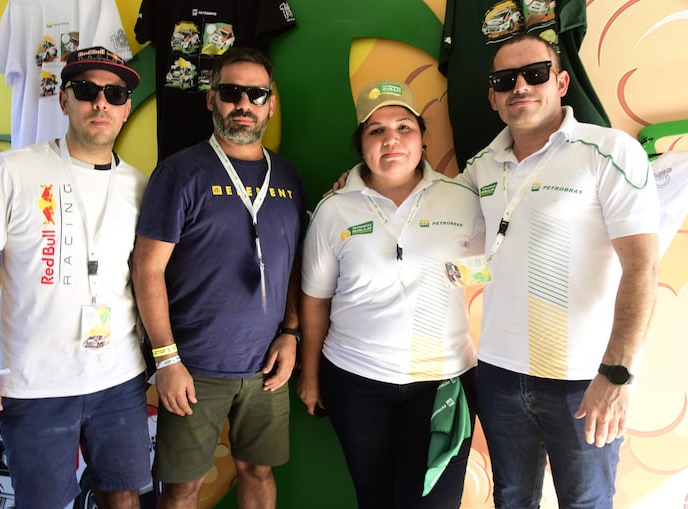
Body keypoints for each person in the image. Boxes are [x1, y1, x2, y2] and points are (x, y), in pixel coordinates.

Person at [459, 34, 660, 508]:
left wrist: (617, 373)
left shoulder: (608, 151)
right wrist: (355, 182)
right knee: (511, 499)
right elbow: (453, 234)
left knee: (585, 502)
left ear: (561, 81)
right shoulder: (480, 167)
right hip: (500, 374)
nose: (520, 87)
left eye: (534, 74)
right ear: (492, 96)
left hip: (584, 378)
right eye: (504, 80)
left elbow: (642, 267)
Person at [0, 46, 151, 509]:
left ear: (125, 109)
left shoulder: (141, 185)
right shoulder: (14, 170)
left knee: (123, 496)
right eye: (86, 91)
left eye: (114, 93)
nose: (100, 102)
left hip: (119, 378)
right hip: (34, 383)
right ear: (65, 101)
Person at [131, 47, 306, 509]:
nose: (243, 104)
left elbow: (292, 265)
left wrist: (290, 333)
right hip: (193, 367)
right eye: (231, 92)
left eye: (256, 93)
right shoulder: (179, 172)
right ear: (211, 100)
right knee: (183, 487)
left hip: (265, 365)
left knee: (257, 470)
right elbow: (146, 268)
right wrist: (166, 360)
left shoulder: (288, 176)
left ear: (270, 103)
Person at [297, 79, 484, 509]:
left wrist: (458, 272)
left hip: (443, 382)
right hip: (355, 382)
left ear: (422, 138)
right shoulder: (335, 210)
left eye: (404, 127)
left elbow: (492, 264)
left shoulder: (461, 200)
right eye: (376, 130)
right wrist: (310, 375)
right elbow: (315, 299)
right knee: (375, 500)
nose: (391, 140)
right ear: (360, 143)